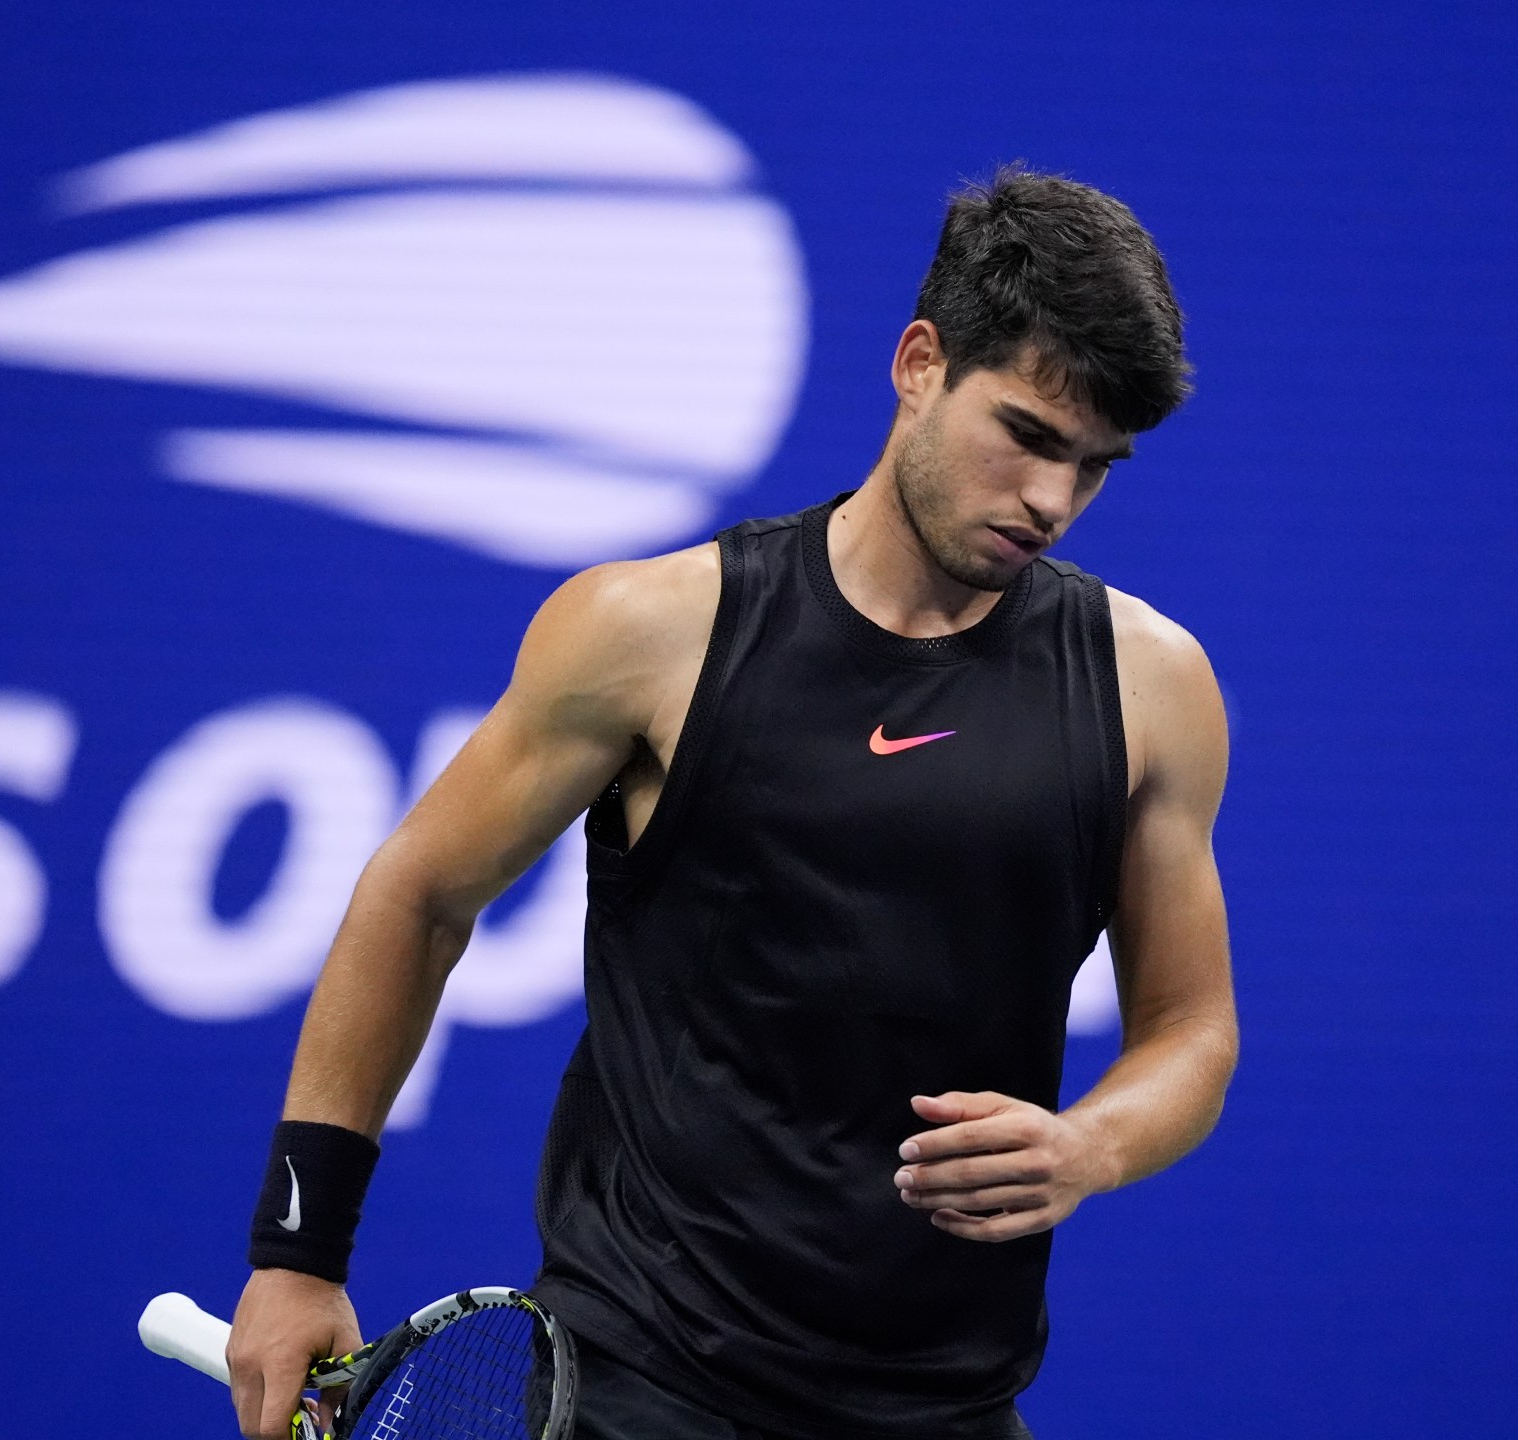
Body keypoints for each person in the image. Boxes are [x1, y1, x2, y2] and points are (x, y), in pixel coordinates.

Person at [225, 165, 1238, 1440]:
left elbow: (1191, 1031)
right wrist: (299, 1251)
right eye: (1029, 435)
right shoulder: (651, 633)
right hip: (641, 1384)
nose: (1051, 499)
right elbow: (419, 893)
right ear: (919, 362)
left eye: (1094, 466)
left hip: (950, 1404)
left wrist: (1089, 1149)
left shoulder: (1152, 689)